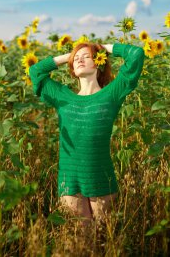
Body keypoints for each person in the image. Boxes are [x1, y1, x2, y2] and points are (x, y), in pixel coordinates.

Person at [29, 42, 145, 225]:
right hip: (69, 177)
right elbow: (35, 71)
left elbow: (136, 54)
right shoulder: (63, 96)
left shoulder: (111, 94)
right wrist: (68, 56)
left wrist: (103, 48)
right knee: (80, 239)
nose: (79, 60)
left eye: (86, 57)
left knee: (103, 238)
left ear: (98, 63)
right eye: (76, 59)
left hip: (100, 175)